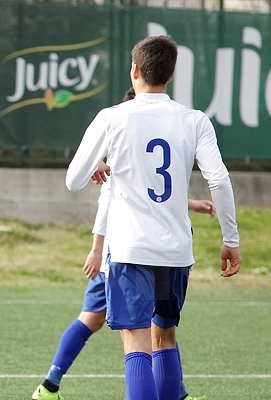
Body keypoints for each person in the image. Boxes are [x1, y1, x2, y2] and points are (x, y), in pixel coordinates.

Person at [65, 35, 242, 400]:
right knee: (165, 336)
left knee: (136, 343)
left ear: (134, 70)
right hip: (177, 251)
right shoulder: (194, 120)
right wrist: (230, 239)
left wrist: (97, 163)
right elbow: (219, 180)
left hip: (131, 250)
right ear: (171, 74)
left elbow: (73, 180)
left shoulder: (112, 117)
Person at [32, 89, 208, 400]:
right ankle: (49, 385)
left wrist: (190, 203)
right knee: (130, 327)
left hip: (132, 249)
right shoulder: (124, 138)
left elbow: (154, 192)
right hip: (123, 253)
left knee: (141, 328)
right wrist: (98, 249)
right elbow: (108, 200)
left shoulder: (126, 137)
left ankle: (174, 392)